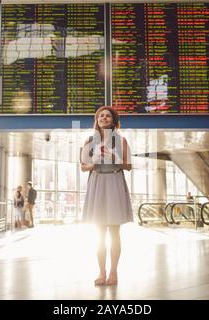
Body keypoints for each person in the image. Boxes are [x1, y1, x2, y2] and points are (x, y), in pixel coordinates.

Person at [80, 106, 133, 286]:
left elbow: (128, 166)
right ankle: (101, 272)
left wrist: (114, 157)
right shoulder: (89, 140)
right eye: (101, 116)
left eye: (107, 116)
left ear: (113, 120)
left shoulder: (121, 140)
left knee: (115, 231)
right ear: (97, 120)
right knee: (100, 232)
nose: (104, 118)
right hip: (97, 182)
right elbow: (83, 166)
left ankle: (113, 272)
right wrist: (93, 164)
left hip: (114, 181)